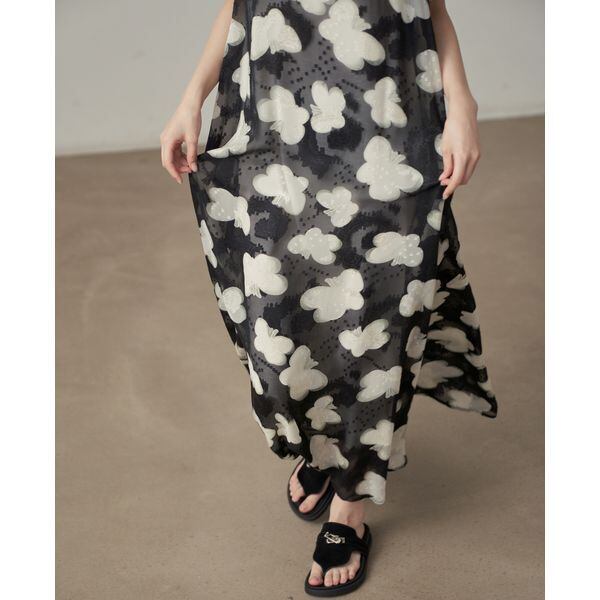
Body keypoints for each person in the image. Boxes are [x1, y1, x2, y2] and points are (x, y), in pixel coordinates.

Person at [161, 0, 497, 595]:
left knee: (376, 315)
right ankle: (323, 445)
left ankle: (350, 503)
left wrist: (462, 103)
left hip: (388, 122)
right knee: (283, 318)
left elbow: (434, 9)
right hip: (271, 126)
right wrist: (191, 97)